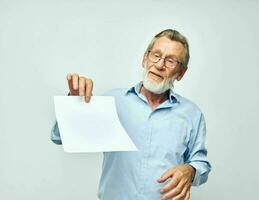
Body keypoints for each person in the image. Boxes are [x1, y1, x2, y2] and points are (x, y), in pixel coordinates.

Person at [51, 29, 211, 200]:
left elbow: (200, 163)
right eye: (156, 55)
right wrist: (74, 102)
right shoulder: (112, 101)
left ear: (181, 73)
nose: (159, 65)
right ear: (144, 59)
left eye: (171, 60)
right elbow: (60, 137)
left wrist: (191, 170)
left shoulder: (192, 114)